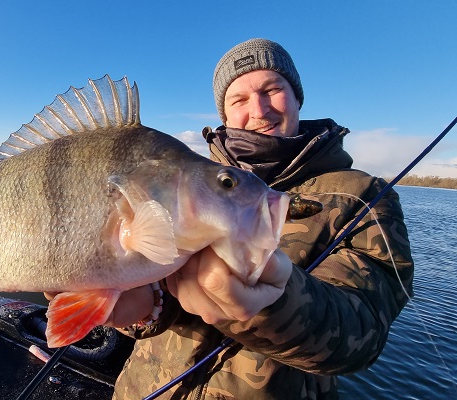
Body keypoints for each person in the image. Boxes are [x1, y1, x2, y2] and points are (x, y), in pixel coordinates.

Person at [107, 38, 415, 399]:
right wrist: (142, 310)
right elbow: (156, 294)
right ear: (224, 115)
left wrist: (275, 302)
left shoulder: (362, 195)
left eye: (272, 89)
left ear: (297, 97)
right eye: (239, 99)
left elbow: (363, 331)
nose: (259, 109)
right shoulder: (179, 183)